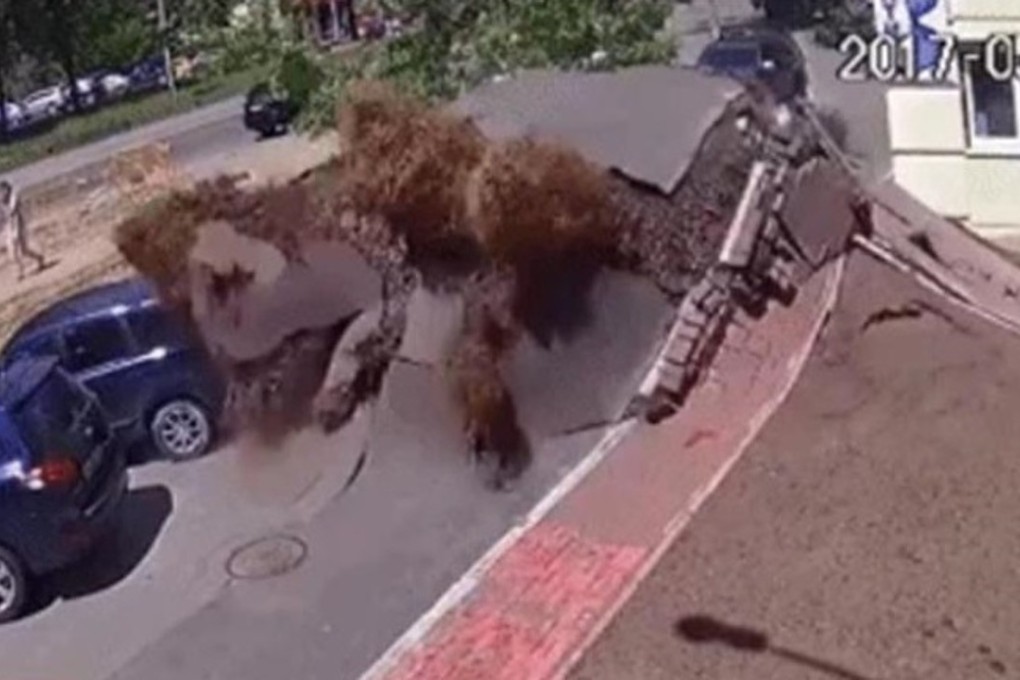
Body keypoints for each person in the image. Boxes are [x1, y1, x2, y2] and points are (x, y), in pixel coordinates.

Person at [0, 180, 47, 280]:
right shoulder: (2, 201)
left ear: (7, 189)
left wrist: (4, 213)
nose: (2, 193)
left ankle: (39, 258)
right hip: (9, 228)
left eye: (3, 190)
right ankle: (20, 271)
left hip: (19, 226)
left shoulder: (14, 197)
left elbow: (12, 211)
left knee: (24, 250)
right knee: (12, 253)